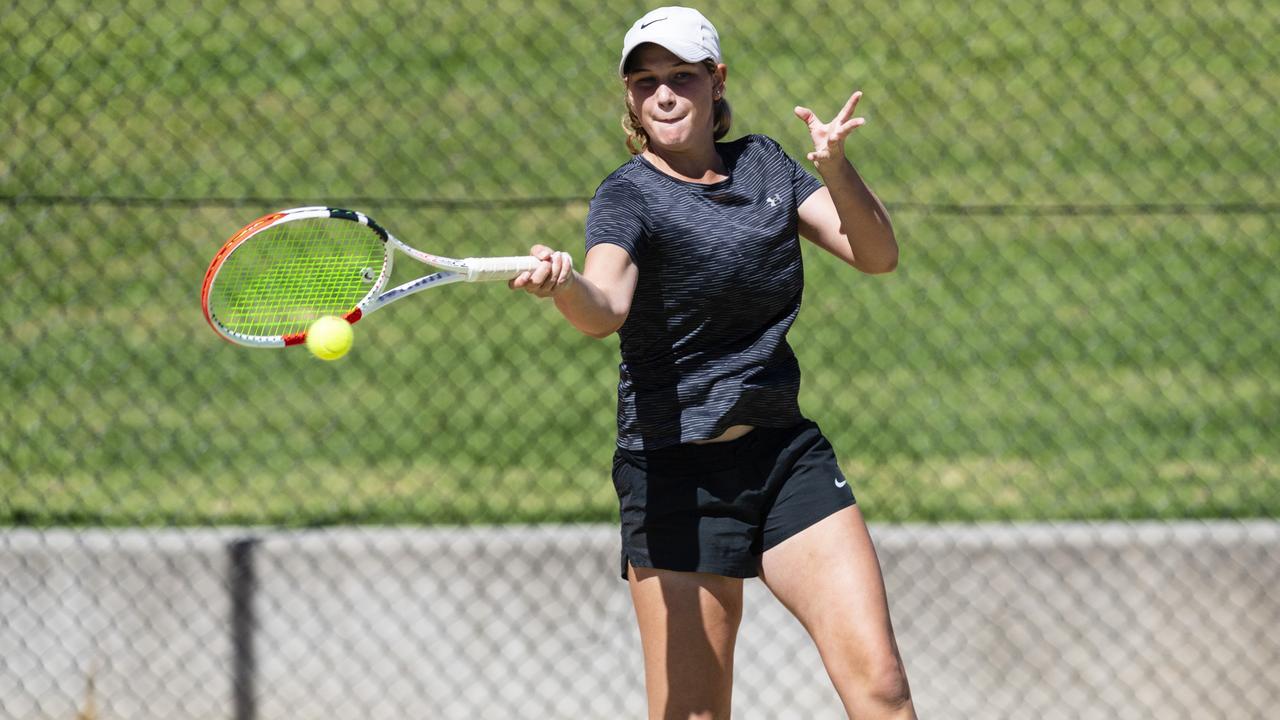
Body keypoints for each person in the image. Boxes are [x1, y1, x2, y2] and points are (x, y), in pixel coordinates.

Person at [510, 6, 915, 719]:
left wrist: (836, 168)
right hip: (674, 474)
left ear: (716, 82)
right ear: (630, 96)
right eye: (645, 82)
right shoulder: (628, 195)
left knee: (880, 686)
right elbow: (605, 306)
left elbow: (876, 255)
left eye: (682, 78)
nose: (663, 95)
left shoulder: (765, 165)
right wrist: (565, 286)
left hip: (784, 459)